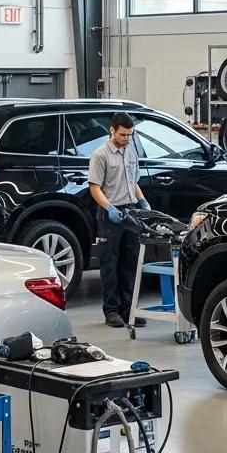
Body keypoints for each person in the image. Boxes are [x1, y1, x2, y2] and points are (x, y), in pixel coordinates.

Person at [88, 111, 151, 328]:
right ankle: (111, 311)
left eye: (130, 135)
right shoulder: (100, 155)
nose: (126, 139)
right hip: (110, 215)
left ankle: (127, 310)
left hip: (131, 212)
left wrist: (142, 201)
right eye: (123, 135)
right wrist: (109, 208)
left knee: (129, 264)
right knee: (109, 264)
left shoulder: (131, 151)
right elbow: (95, 187)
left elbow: (133, 181)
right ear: (112, 130)